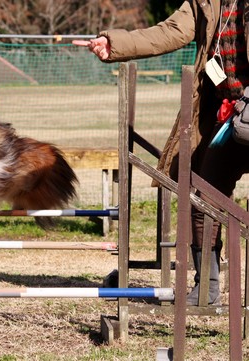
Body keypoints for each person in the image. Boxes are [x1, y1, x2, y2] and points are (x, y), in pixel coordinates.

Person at [73, 0, 249, 306]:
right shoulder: (205, 2)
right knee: (204, 198)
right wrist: (113, 43)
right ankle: (206, 288)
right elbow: (170, 31)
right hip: (230, 117)